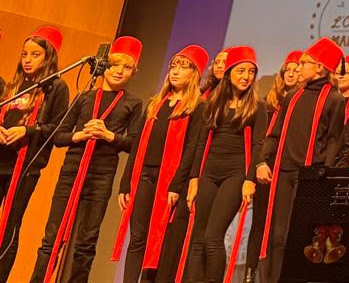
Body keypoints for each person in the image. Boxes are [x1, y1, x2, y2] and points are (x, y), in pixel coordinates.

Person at [30, 35, 143, 283]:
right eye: (115, 64)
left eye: (127, 67)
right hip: (72, 169)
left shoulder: (133, 103)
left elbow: (134, 144)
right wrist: (80, 135)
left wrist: (108, 135)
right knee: (51, 239)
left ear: (133, 72)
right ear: (105, 66)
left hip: (101, 175)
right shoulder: (84, 96)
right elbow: (59, 136)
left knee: (86, 242)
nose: (119, 71)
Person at [114, 44, 208, 283]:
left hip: (169, 180)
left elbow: (191, 149)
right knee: (137, 237)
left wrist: (176, 185)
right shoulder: (155, 103)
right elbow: (137, 147)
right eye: (173, 66)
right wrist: (126, 183)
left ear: (194, 74)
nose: (175, 71)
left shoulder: (197, 107)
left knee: (157, 239)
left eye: (183, 67)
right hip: (144, 175)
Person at [255, 38, 344, 283]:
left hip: (309, 176)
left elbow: (334, 140)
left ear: (319, 67)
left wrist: (323, 172)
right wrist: (262, 161)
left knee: (299, 234)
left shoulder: (334, 99)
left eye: (304, 63)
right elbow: (275, 133)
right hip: (283, 173)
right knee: (277, 236)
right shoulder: (293, 96)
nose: (299, 66)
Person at [185, 47, 269, 283]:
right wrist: (194, 179)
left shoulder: (257, 107)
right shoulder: (212, 103)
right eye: (241, 71)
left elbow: (258, 145)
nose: (246, 76)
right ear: (230, 72)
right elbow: (201, 143)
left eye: (251, 72)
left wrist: (249, 180)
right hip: (209, 172)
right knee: (198, 239)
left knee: (213, 238)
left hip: (235, 174)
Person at [0, 27, 72, 283]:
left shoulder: (56, 88)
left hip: (24, 167)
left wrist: (27, 130)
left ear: (48, 56)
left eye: (35, 54)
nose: (28, 60)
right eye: (24, 54)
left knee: (9, 227)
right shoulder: (14, 85)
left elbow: (57, 128)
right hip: (1, 160)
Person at [245, 52, 300, 281]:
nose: (291, 74)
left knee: (280, 229)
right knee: (259, 223)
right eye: (288, 70)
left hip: (286, 170)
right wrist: (259, 163)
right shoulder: (268, 104)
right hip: (265, 168)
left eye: (297, 70)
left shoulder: (303, 106)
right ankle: (250, 273)